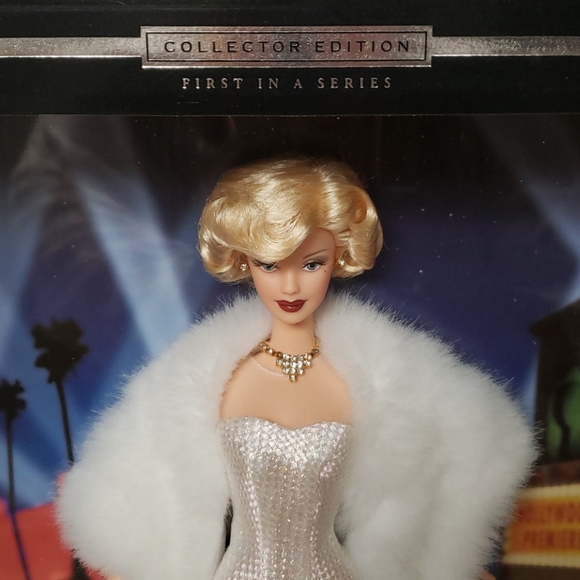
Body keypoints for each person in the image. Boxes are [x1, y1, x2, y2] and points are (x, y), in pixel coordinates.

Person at [57, 156, 535, 580]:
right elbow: (151, 493)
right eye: (269, 265)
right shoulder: (202, 382)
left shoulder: (383, 381)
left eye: (311, 264)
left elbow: (454, 468)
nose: (290, 286)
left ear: (339, 257)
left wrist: (445, 563)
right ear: (243, 262)